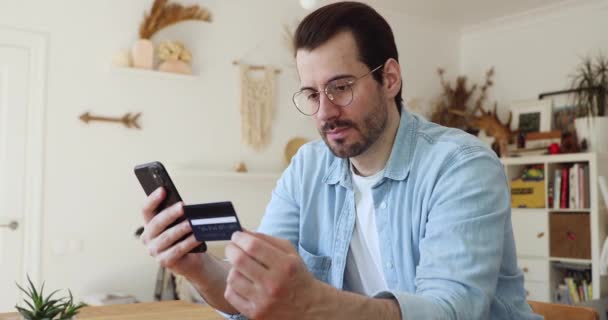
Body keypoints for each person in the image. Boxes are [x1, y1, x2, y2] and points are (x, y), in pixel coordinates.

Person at [140, 2, 541, 319]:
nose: (324, 112)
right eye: (312, 94)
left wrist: (313, 303)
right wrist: (196, 268)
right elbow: (253, 292)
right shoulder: (308, 167)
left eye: (341, 87)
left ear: (390, 79)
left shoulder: (461, 166)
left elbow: (453, 312)